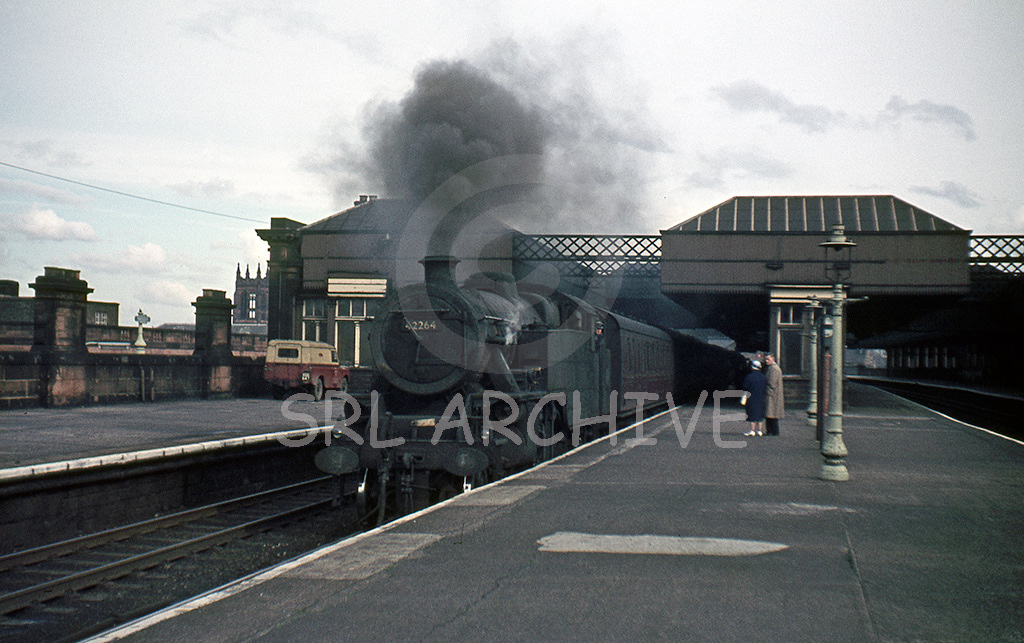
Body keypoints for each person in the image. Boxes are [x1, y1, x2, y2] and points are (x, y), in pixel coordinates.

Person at [741, 359, 766, 437]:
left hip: (751, 397)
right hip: (761, 397)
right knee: (759, 415)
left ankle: (752, 430)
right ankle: (760, 430)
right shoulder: (763, 377)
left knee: (752, 414)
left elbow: (745, 387)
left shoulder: (750, 376)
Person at [764, 353, 784, 436]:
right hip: (773, 394)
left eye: (768, 359)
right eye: (766, 359)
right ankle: (771, 431)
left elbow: (772, 382)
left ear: (773, 359)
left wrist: (766, 387)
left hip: (772, 394)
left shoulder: (774, 369)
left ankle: (772, 431)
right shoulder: (772, 368)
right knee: (770, 414)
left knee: (771, 414)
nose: (766, 361)